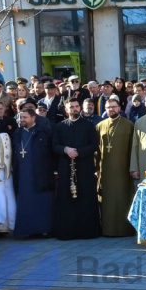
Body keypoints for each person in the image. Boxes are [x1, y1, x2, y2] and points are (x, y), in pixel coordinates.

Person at [53, 98, 100, 240]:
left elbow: (94, 145)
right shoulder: (60, 126)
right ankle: (68, 232)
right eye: (71, 107)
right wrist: (66, 149)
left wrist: (79, 152)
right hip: (66, 167)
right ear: (66, 110)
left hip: (84, 166)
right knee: (67, 199)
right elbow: (54, 145)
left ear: (79, 108)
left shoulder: (88, 125)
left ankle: (87, 231)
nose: (74, 109)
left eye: (76, 106)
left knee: (85, 197)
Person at [12, 104, 55, 238]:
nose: (21, 120)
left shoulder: (43, 132)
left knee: (41, 202)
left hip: (40, 172)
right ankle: (25, 231)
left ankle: (43, 230)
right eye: (20, 117)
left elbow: (51, 152)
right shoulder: (17, 133)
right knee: (25, 203)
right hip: (22, 174)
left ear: (33, 118)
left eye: (24, 117)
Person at [96, 95, 135, 237]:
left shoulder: (128, 124)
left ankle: (126, 229)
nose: (111, 109)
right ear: (105, 109)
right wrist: (96, 169)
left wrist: (133, 167)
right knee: (108, 202)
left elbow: (133, 147)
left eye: (114, 106)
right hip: (105, 170)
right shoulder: (100, 125)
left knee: (123, 198)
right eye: (108, 107)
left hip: (123, 169)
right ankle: (108, 230)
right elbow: (97, 150)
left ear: (119, 108)